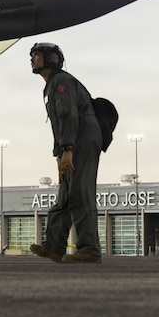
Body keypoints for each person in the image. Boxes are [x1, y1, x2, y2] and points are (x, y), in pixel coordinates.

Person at [29, 42, 104, 264]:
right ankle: (54, 247)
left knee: (80, 192)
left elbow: (67, 116)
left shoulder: (60, 82)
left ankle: (90, 250)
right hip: (72, 141)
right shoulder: (52, 84)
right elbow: (57, 125)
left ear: (51, 59)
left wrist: (68, 150)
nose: (32, 60)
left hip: (82, 139)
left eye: (37, 56)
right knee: (65, 195)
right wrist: (59, 155)